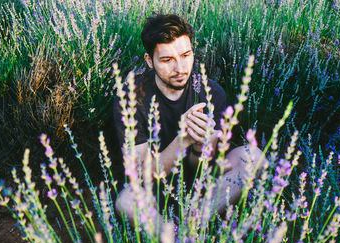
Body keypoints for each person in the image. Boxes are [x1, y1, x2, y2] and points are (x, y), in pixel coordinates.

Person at [113, 14, 264, 227]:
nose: (180, 68)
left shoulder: (211, 92)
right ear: (149, 61)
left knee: (253, 156)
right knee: (127, 202)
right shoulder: (131, 98)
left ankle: (195, 222)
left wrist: (202, 145)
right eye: (167, 60)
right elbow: (144, 174)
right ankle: (170, 241)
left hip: (203, 187)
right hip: (154, 188)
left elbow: (200, 169)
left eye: (186, 55)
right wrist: (183, 139)